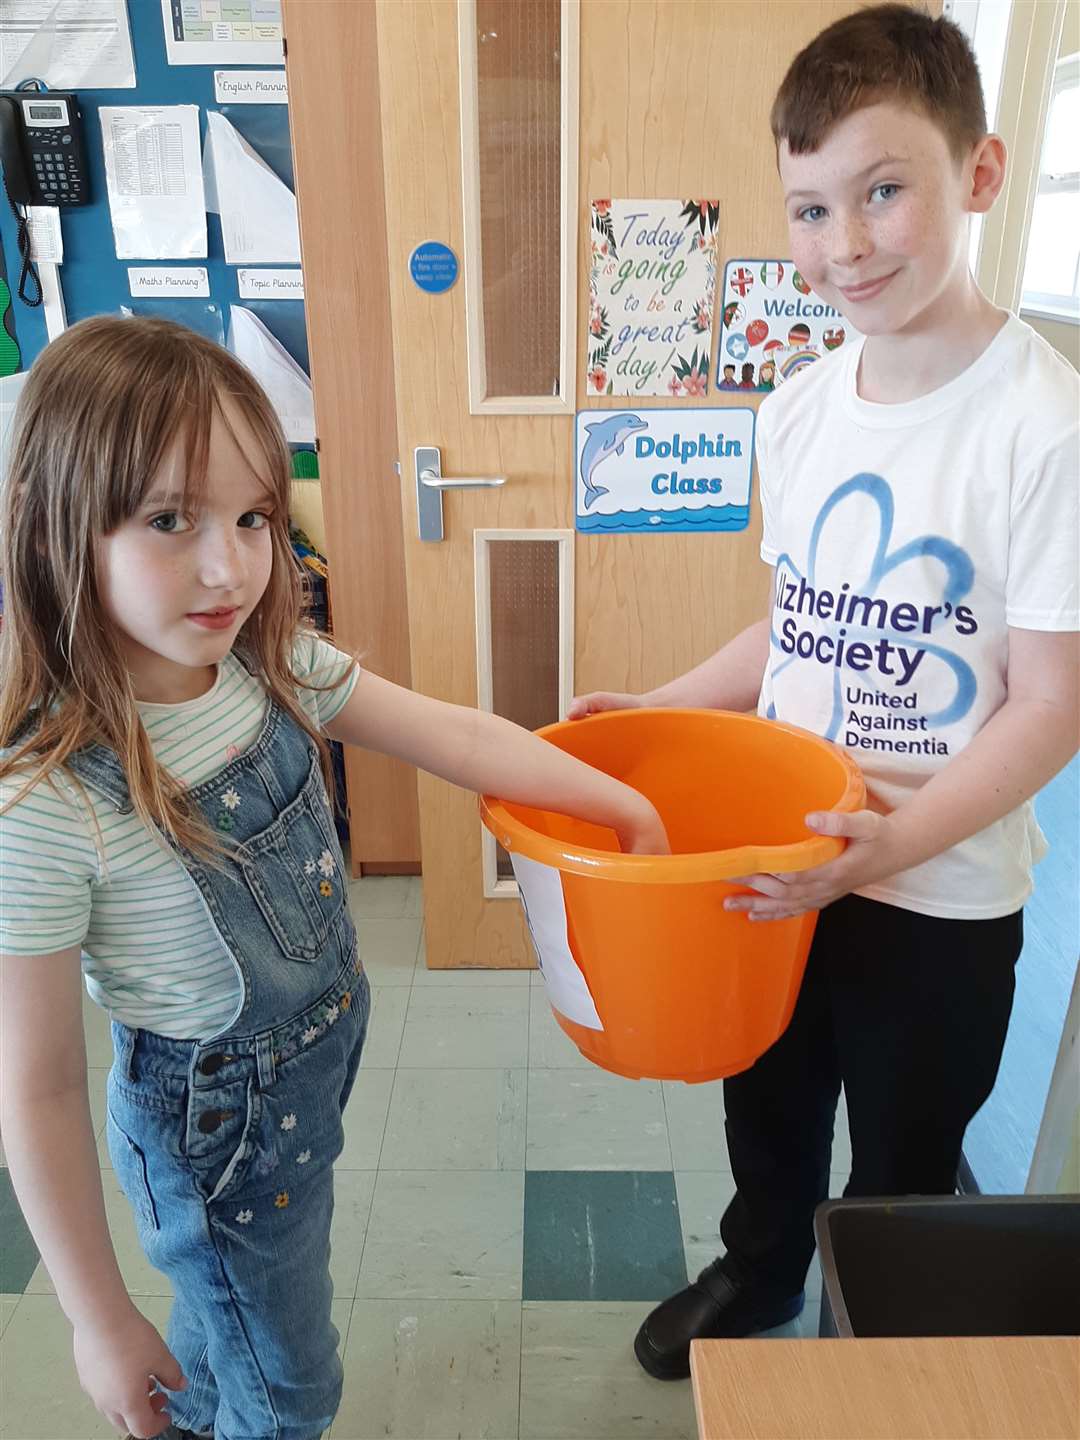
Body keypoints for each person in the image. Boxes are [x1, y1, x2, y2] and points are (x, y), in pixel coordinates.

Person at [0, 316, 669, 1439]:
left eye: (254, 515)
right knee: (288, 1395)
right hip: (215, 1141)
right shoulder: (48, 801)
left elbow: (456, 734)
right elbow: (39, 1088)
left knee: (234, 1342)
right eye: (171, 520)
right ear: (65, 529)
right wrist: (98, 1318)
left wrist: (618, 800)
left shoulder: (271, 667)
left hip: (307, 1087)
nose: (232, 566)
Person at [571, 3, 1078, 1380]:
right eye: (809, 208)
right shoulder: (797, 409)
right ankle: (756, 1271)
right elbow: (798, 628)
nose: (842, 244)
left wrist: (897, 841)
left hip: (939, 889)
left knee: (905, 1146)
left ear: (979, 175)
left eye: (883, 190)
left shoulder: (1045, 426)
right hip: (779, 859)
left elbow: (1049, 704)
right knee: (771, 1097)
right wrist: (658, 712)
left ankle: (875, 1339)